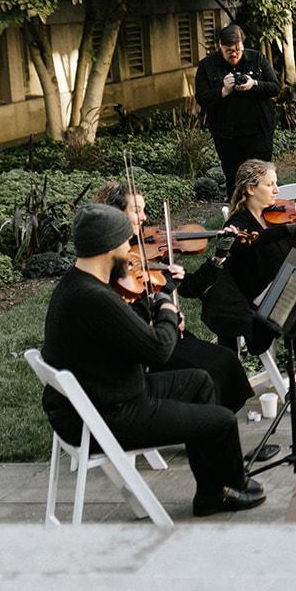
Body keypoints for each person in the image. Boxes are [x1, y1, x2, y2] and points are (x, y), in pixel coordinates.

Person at [41, 204, 264, 517]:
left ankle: (213, 488)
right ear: (108, 247)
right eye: (125, 242)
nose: (129, 250)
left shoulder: (76, 284)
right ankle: (220, 492)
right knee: (222, 421)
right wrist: (166, 308)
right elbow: (159, 350)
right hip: (108, 415)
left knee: (200, 381)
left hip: (104, 396)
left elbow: (128, 336)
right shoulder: (94, 298)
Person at [196, 160, 296, 413]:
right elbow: (251, 243)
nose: (276, 190)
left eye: (276, 183)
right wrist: (288, 231)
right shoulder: (238, 226)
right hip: (266, 302)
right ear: (251, 189)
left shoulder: (278, 219)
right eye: (270, 184)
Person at [90, 180, 256, 420]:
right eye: (136, 210)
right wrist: (164, 307)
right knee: (212, 369)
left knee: (226, 360)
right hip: (148, 350)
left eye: (143, 210)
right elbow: (126, 315)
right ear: (115, 215)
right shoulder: (109, 262)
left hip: (166, 336)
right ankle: (209, 422)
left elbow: (192, 287)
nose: (144, 218)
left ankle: (215, 421)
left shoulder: (146, 255)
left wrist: (218, 256)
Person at [194, 24, 279, 195]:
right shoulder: (207, 66)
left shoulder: (257, 59)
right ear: (220, 46)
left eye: (238, 49)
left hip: (259, 131)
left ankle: (264, 208)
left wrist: (255, 84)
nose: (234, 54)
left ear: (242, 44)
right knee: (234, 181)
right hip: (227, 135)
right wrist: (223, 91)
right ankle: (236, 209)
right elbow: (201, 98)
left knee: (261, 178)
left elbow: (275, 88)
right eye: (229, 51)